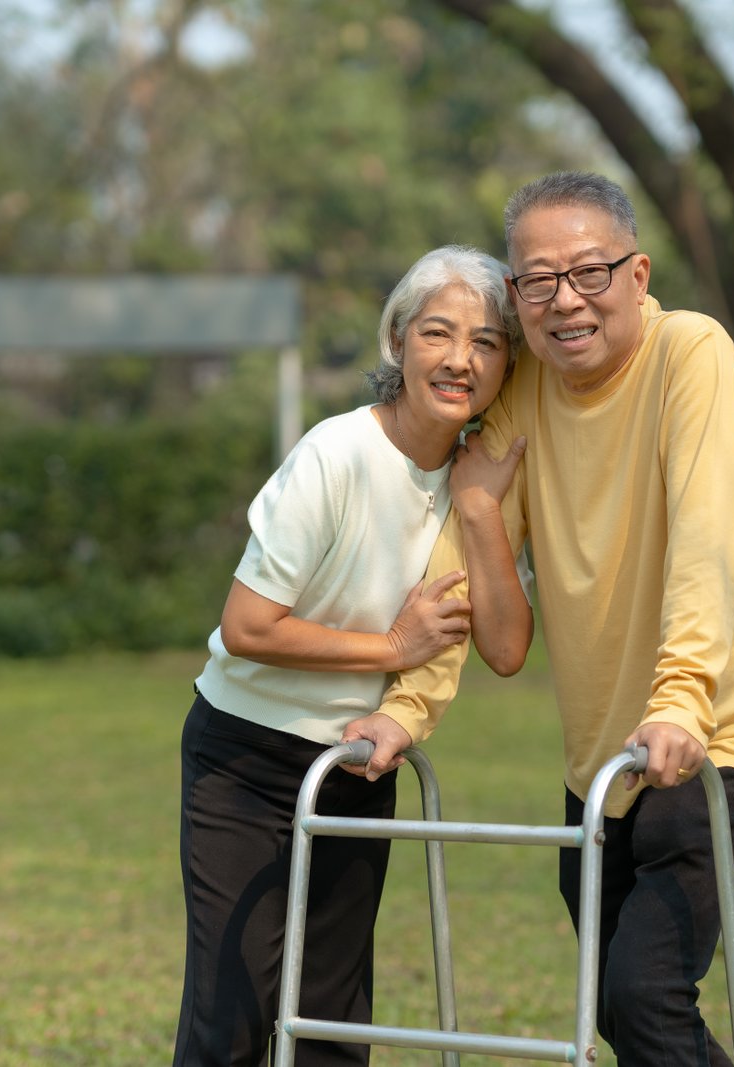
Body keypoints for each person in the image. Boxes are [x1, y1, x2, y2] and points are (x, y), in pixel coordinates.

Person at [368, 171, 734, 1066]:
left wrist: (681, 699)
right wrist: (407, 706)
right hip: (601, 757)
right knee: (620, 1007)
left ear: (637, 275)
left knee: (644, 994)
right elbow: (475, 598)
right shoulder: (524, 392)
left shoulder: (692, 352)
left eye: (589, 273)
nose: (566, 301)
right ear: (517, 295)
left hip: (713, 735)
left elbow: (707, 538)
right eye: (536, 280)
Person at [174, 244, 530, 1067]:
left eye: (486, 342)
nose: (459, 359)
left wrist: (479, 515)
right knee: (233, 1010)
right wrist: (390, 646)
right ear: (398, 342)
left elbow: (504, 646)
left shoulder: (482, 480)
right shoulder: (334, 454)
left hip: (359, 762)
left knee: (335, 1023)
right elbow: (246, 628)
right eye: (438, 333)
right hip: (245, 755)